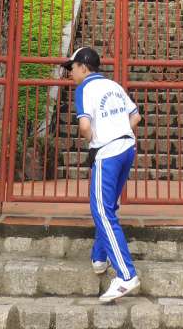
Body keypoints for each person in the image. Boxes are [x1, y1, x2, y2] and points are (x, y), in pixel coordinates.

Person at [64, 46, 141, 303]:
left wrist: (96, 138)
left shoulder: (84, 88)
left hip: (108, 153)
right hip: (127, 149)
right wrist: (116, 131)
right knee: (108, 208)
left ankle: (126, 275)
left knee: (101, 211)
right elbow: (136, 116)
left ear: (84, 67)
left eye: (72, 67)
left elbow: (85, 126)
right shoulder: (114, 85)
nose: (71, 73)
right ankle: (99, 258)